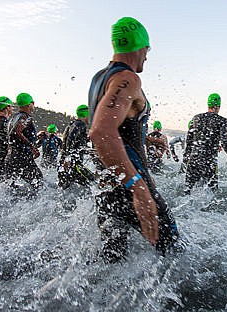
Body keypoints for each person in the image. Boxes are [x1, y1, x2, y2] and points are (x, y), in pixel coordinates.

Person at [88, 17, 179, 262]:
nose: (147, 56)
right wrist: (138, 189)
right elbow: (101, 132)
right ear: (139, 46)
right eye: (147, 49)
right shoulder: (128, 79)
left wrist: (147, 139)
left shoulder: (99, 78)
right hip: (130, 184)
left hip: (106, 185)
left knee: (112, 262)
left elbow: (118, 128)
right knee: (174, 258)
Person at [183, 93, 227, 193]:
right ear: (218, 106)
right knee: (211, 196)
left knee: (187, 193)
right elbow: (225, 143)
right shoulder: (223, 121)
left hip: (193, 162)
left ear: (208, 104)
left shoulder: (196, 118)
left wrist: (185, 163)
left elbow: (189, 143)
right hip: (209, 164)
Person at [5, 93, 42, 189]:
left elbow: (12, 135)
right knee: (39, 182)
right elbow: (17, 131)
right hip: (22, 158)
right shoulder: (26, 117)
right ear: (29, 105)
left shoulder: (13, 117)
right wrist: (32, 146)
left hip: (11, 157)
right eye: (32, 103)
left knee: (13, 190)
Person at [58, 104, 95, 189]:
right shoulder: (80, 125)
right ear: (86, 114)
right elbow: (70, 139)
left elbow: (76, 144)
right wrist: (68, 158)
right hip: (73, 164)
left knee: (65, 189)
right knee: (93, 183)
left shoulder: (72, 124)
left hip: (66, 165)